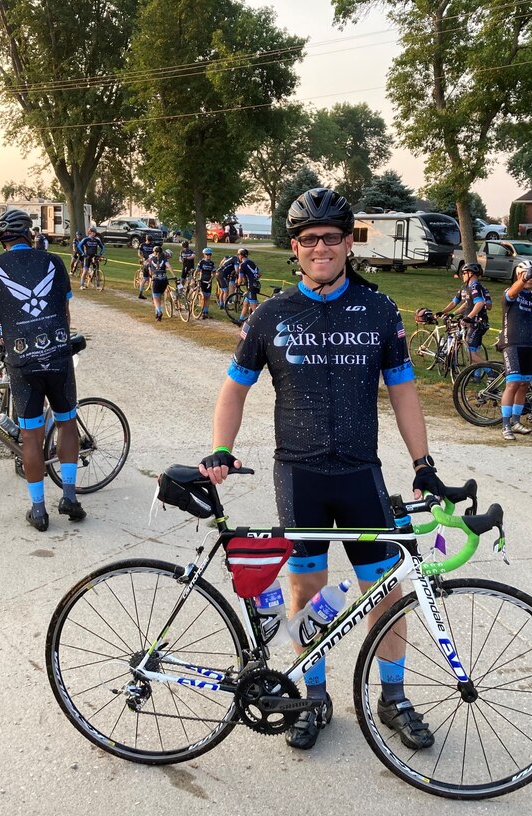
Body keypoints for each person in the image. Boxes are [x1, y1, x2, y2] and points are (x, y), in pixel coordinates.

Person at [199, 187, 443, 752]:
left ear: (349, 242)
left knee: (385, 593)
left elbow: (404, 391)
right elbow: (233, 389)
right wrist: (221, 448)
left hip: (360, 473)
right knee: (307, 592)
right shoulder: (271, 314)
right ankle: (312, 696)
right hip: (300, 475)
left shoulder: (379, 310)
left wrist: (423, 462)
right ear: (295, 246)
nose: (321, 248)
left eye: (332, 237)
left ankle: (393, 697)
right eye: (309, 239)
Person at [0, 208, 84, 531]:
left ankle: (38, 510)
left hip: (23, 361)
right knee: (67, 424)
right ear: (29, 234)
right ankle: (69, 496)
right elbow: (65, 310)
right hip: (58, 356)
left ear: (2, 240)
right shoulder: (54, 262)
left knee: (30, 434)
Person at [494, 261, 532, 441]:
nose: (529, 278)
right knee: (513, 384)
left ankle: (516, 421)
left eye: (531, 275)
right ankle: (505, 425)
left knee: (524, 385)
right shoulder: (511, 293)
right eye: (524, 274)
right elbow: (513, 292)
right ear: (518, 275)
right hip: (512, 344)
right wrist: (523, 279)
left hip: (530, 345)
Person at [439, 262, 491, 364]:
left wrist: (469, 317)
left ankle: (492, 370)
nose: (462, 275)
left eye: (464, 273)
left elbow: (480, 303)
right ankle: (477, 372)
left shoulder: (475, 287)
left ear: (471, 273)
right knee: (474, 351)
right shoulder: (466, 287)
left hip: (476, 323)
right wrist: (447, 312)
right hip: (471, 322)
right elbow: (458, 303)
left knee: (470, 352)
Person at [235, 247, 261, 322]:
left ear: (241, 256)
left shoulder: (242, 265)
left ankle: (257, 323)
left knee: (253, 308)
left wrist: (238, 284)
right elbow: (259, 274)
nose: (238, 257)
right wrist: (253, 277)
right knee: (245, 303)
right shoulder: (252, 262)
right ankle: (240, 320)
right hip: (256, 284)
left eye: (238, 255)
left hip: (251, 286)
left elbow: (240, 279)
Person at [146, 245, 172, 321]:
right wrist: (173, 275)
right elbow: (169, 266)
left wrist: (151, 276)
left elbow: (150, 272)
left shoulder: (151, 259)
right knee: (159, 297)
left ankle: (159, 311)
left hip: (156, 280)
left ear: (155, 252)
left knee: (155, 297)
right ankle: (157, 315)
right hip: (164, 280)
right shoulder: (164, 259)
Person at [195, 247, 215, 320]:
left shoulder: (211, 263)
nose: (208, 256)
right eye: (207, 254)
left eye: (210, 254)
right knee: (203, 297)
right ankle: (203, 311)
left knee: (207, 297)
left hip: (209, 282)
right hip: (202, 280)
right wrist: (194, 277)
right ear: (204, 255)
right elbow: (197, 270)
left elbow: (214, 273)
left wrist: (211, 279)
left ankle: (206, 311)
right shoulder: (201, 262)